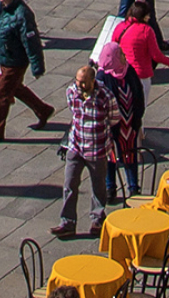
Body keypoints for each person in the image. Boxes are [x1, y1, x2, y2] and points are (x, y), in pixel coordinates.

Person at [0, 0, 52, 144]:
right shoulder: (1, 6)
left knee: (2, 95)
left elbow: (32, 42)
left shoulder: (23, 14)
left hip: (15, 61)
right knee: (15, 88)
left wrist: (37, 67)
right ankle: (43, 110)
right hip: (5, 58)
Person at [50, 63, 114, 241]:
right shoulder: (71, 92)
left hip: (97, 148)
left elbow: (114, 117)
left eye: (84, 82)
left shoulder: (105, 96)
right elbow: (73, 111)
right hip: (76, 146)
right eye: (78, 81)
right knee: (69, 184)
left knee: (98, 187)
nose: (80, 85)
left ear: (93, 81)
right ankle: (67, 223)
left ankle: (98, 220)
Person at [97, 38, 144, 202]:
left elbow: (138, 94)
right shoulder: (102, 77)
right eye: (120, 54)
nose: (124, 56)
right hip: (110, 126)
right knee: (110, 157)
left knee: (130, 155)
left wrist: (137, 117)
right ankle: (110, 188)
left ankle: (133, 188)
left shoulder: (128, 71)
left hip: (129, 123)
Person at [112, 0, 169, 104]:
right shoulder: (146, 31)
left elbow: (113, 47)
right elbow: (156, 55)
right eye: (147, 15)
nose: (149, 17)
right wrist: (168, 61)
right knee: (140, 105)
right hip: (141, 74)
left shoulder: (120, 27)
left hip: (123, 72)